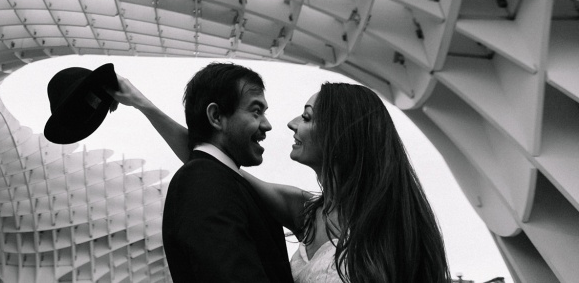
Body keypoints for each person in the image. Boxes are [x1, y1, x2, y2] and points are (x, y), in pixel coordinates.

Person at [114, 76, 451, 283]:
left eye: (306, 117)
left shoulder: (390, 228)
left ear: (340, 133)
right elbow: (213, 163)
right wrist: (144, 105)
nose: (291, 124)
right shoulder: (308, 211)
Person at [157, 62, 295, 283]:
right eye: (256, 111)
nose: (267, 125)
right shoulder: (202, 180)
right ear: (216, 116)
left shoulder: (221, 179)